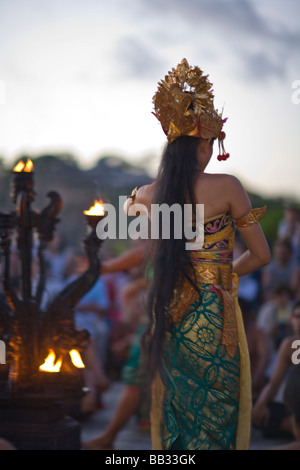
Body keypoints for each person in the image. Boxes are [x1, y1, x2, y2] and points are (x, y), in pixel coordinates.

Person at [125, 59, 271, 450]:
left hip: (168, 306)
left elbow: (141, 243)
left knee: (178, 404)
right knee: (216, 406)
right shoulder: (227, 187)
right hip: (215, 307)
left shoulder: (142, 196)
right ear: (205, 145)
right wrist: (225, 276)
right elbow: (261, 256)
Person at [252, 300, 300, 440]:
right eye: (297, 317)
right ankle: (292, 426)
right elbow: (274, 383)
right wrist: (261, 403)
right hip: (295, 410)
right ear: (291, 319)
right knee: (253, 408)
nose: (299, 322)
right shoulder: (290, 346)